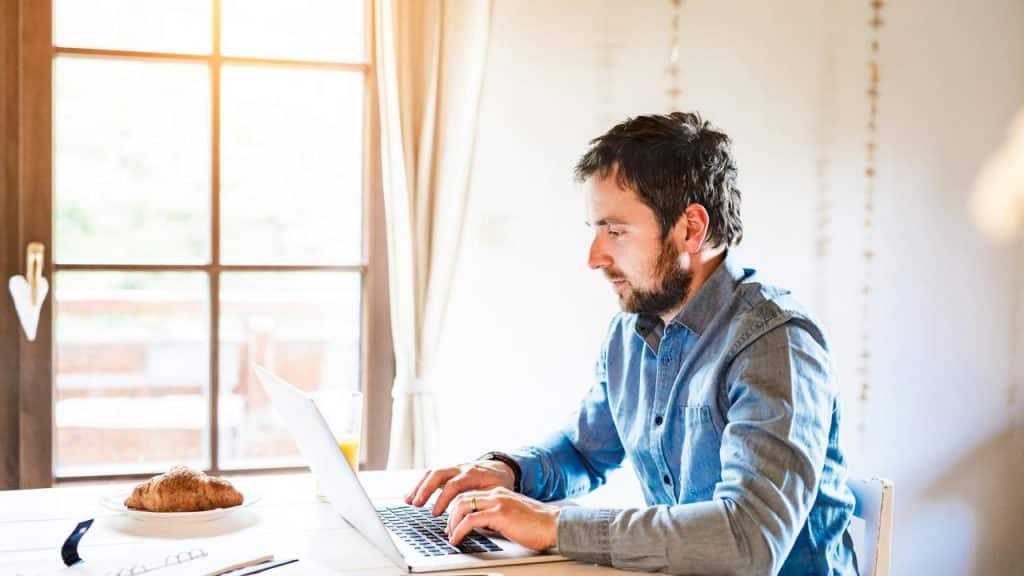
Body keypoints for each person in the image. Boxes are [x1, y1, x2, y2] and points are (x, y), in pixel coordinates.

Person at [405, 112, 859, 575]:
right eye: (595, 230)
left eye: (616, 231)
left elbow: (747, 540)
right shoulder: (631, 333)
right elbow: (585, 450)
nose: (594, 257)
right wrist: (508, 471)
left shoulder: (775, 344)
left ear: (690, 228)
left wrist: (556, 524)